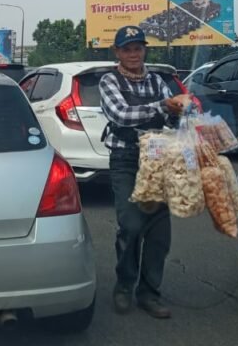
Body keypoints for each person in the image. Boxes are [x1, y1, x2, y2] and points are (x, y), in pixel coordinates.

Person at [99, 25, 187, 319]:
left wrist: (178, 113)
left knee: (159, 232)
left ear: (144, 50)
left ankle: (149, 293)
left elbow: (172, 120)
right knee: (132, 225)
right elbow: (121, 115)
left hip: (157, 159)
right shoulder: (109, 80)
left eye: (138, 48)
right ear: (118, 52)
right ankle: (124, 285)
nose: (134, 54)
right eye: (127, 49)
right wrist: (162, 106)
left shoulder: (157, 81)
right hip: (125, 159)